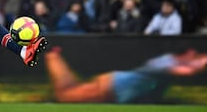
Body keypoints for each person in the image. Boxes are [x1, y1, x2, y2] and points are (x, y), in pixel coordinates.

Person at [45, 46, 207, 103]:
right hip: (112, 87)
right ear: (187, 53)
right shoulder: (166, 62)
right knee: (65, 95)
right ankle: (53, 57)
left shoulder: (170, 60)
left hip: (113, 86)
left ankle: (54, 58)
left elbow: (190, 66)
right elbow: (188, 70)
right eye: (193, 55)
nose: (194, 58)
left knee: (71, 91)